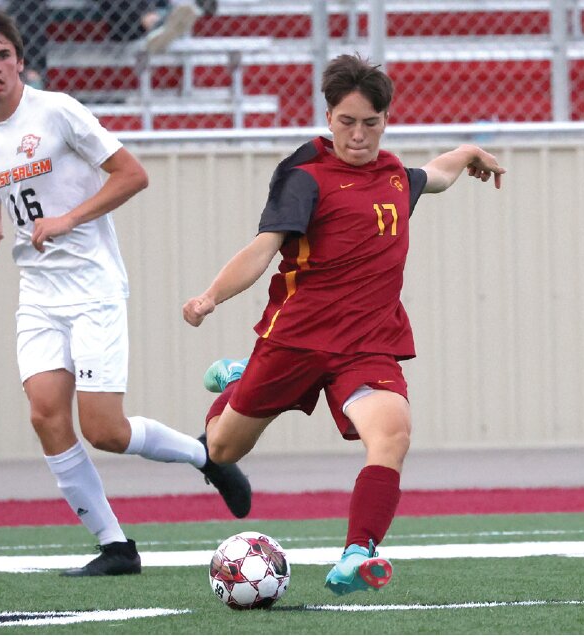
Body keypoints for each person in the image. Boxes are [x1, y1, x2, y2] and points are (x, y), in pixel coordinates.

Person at [183, 54, 505, 595]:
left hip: (366, 347)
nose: (358, 135)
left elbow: (441, 175)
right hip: (295, 340)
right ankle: (242, 379)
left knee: (393, 434)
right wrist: (210, 296)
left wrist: (470, 151)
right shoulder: (305, 179)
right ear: (329, 117)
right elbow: (263, 250)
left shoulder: (397, 178)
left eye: (370, 123)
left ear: (385, 120)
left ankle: (359, 552)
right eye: (347, 122)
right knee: (221, 450)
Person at [0, 9, 251, 577]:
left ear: (20, 60)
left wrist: (69, 219)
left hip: (92, 288)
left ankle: (206, 455)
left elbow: (133, 175)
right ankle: (115, 546)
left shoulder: (59, 111)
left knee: (105, 431)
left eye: (2, 55)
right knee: (46, 416)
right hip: (38, 294)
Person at [100, 0, 202, 54]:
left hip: (144, 12)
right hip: (124, 22)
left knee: (170, 7)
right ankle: (159, 25)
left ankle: (160, 25)